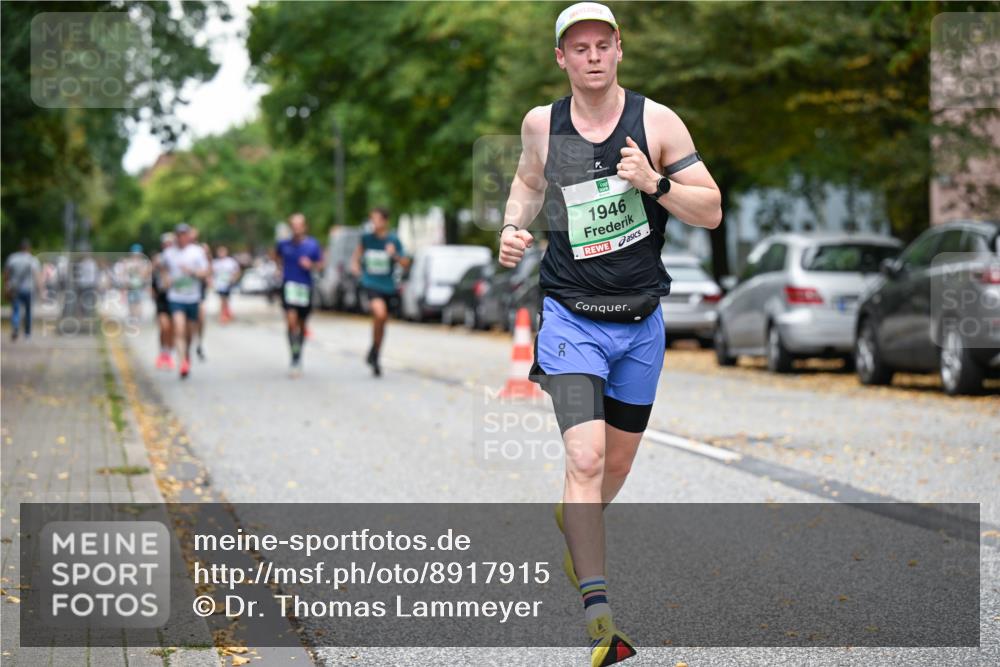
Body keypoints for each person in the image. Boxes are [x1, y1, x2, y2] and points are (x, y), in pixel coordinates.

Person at [497, 4, 722, 665]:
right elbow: (527, 181)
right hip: (570, 318)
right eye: (578, 46)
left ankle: (578, 520)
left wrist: (654, 182)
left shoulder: (655, 122)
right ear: (560, 58)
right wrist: (515, 225)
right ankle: (601, 620)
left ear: (619, 50)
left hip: (640, 324)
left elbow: (710, 209)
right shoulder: (544, 124)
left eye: (603, 44)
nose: (592, 55)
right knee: (587, 459)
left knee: (613, 467)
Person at [351, 207, 409, 377]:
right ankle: (375, 352)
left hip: (388, 286)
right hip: (370, 283)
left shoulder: (393, 240)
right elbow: (356, 256)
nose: (373, 223)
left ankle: (375, 352)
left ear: (385, 221)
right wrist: (355, 268)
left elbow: (406, 263)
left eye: (376, 219)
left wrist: (394, 255)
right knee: (380, 314)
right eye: (371, 220)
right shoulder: (367, 239)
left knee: (382, 322)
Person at [276, 213, 323, 376]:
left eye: (299, 225)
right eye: (293, 225)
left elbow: (321, 265)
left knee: (302, 324)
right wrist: (280, 270)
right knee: (291, 322)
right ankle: (294, 356)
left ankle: (299, 353)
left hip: (305, 288)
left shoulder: (312, 245)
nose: (296, 228)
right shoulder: (283, 244)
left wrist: (311, 265)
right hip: (289, 287)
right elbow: (277, 258)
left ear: (304, 227)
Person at [161, 223, 210, 379]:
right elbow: (164, 270)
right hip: (175, 297)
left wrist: (192, 272)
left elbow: (206, 272)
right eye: (179, 234)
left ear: (188, 236)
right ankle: (182, 362)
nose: (181, 237)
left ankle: (187, 355)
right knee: (179, 328)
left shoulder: (197, 252)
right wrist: (166, 280)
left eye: (184, 234)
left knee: (189, 333)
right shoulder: (169, 253)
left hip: (192, 297)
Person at [4, 239, 42, 341]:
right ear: (29, 248)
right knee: (28, 312)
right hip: (29, 289)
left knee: (16, 310)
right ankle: (27, 334)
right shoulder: (33, 260)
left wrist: (6, 286)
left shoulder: (12, 258)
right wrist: (40, 290)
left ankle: (16, 327)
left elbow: (6, 274)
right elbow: (36, 276)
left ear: (19, 247)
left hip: (15, 289)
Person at [151, 233, 175, 369]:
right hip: (161, 297)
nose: (168, 246)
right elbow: (149, 276)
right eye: (166, 243)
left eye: (171, 243)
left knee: (172, 329)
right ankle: (162, 352)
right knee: (164, 326)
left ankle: (168, 354)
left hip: (175, 297)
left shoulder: (178, 257)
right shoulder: (158, 259)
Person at [212, 246, 241, 324]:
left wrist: (233, 279)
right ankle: (224, 315)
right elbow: (212, 273)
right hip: (219, 285)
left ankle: (225, 314)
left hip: (228, 284)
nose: (221, 254)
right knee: (222, 299)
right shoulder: (215, 262)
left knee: (226, 299)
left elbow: (237, 272)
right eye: (220, 252)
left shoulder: (230, 261)